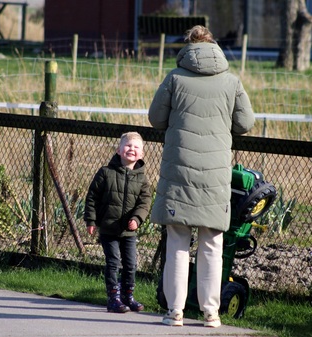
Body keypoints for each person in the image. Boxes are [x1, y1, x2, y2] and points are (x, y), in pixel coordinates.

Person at [148, 25, 255, 328]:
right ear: (214, 46)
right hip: (215, 175)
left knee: (178, 243)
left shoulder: (175, 77)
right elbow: (246, 122)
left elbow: (156, 118)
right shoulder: (231, 81)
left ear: (188, 46)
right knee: (212, 245)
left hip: (179, 170)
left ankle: (174, 312)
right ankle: (211, 312)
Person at [84, 132, 152, 313]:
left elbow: (145, 203)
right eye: (128, 146)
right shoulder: (106, 173)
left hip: (129, 232)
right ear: (119, 150)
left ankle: (127, 295)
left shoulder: (142, 179)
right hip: (108, 228)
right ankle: (113, 298)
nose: (132, 149)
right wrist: (91, 220)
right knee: (113, 262)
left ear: (142, 154)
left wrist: (137, 219)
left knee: (131, 265)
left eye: (136, 147)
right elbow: (92, 197)